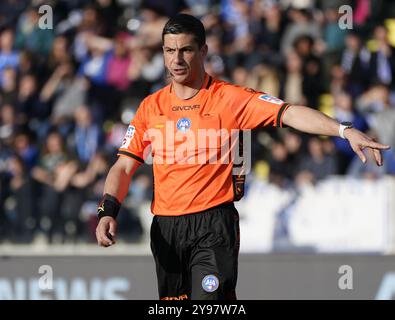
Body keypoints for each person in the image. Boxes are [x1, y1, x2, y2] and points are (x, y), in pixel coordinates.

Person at [95, 14, 390, 300]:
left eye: (186, 50)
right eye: (170, 51)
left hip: (212, 225)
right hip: (166, 228)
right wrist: (108, 210)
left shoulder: (229, 98)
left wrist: (343, 129)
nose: (177, 60)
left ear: (203, 51)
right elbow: (123, 166)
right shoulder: (150, 107)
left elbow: (289, 112)